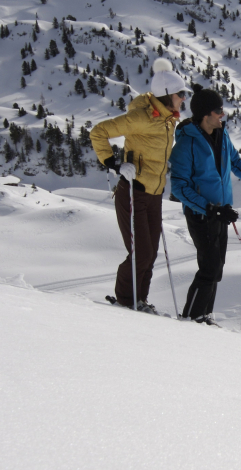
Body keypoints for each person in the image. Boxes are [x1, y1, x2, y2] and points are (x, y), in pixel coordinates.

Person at [90, 58, 190, 313]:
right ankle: (126, 300)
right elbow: (98, 132)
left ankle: (140, 300)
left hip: (154, 195)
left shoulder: (168, 119)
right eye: (181, 94)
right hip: (133, 192)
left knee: (150, 253)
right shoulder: (141, 117)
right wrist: (114, 163)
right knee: (141, 254)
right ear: (168, 95)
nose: (183, 99)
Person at [169, 84, 241, 323]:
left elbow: (235, 162)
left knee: (217, 268)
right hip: (201, 214)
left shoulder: (221, 134)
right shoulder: (186, 145)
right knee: (210, 268)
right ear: (205, 115)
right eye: (218, 110)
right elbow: (179, 187)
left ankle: (203, 316)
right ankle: (191, 319)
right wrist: (210, 208)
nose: (222, 114)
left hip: (221, 213)